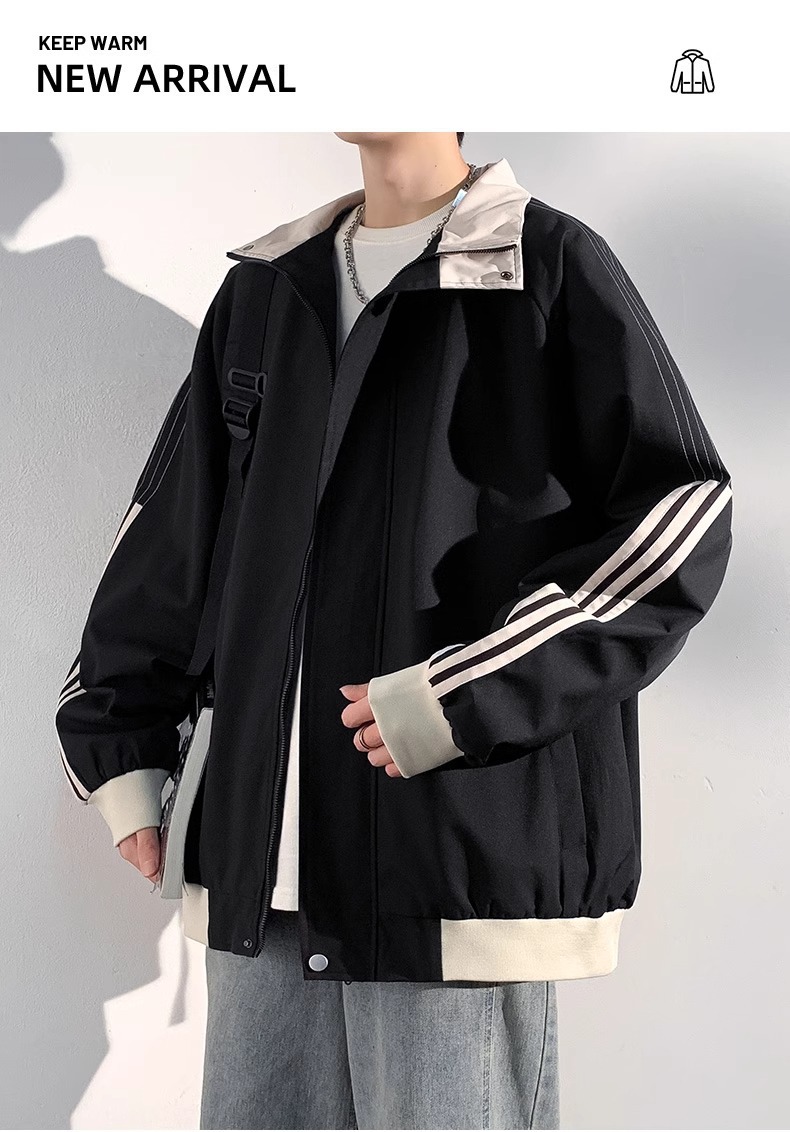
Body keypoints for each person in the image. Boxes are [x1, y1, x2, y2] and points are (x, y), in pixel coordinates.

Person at [54, 132, 733, 1130]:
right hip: (262, 881)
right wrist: (123, 742)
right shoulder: (266, 291)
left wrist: (470, 692)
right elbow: (176, 531)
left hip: (448, 870)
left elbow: (681, 519)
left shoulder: (544, 266)